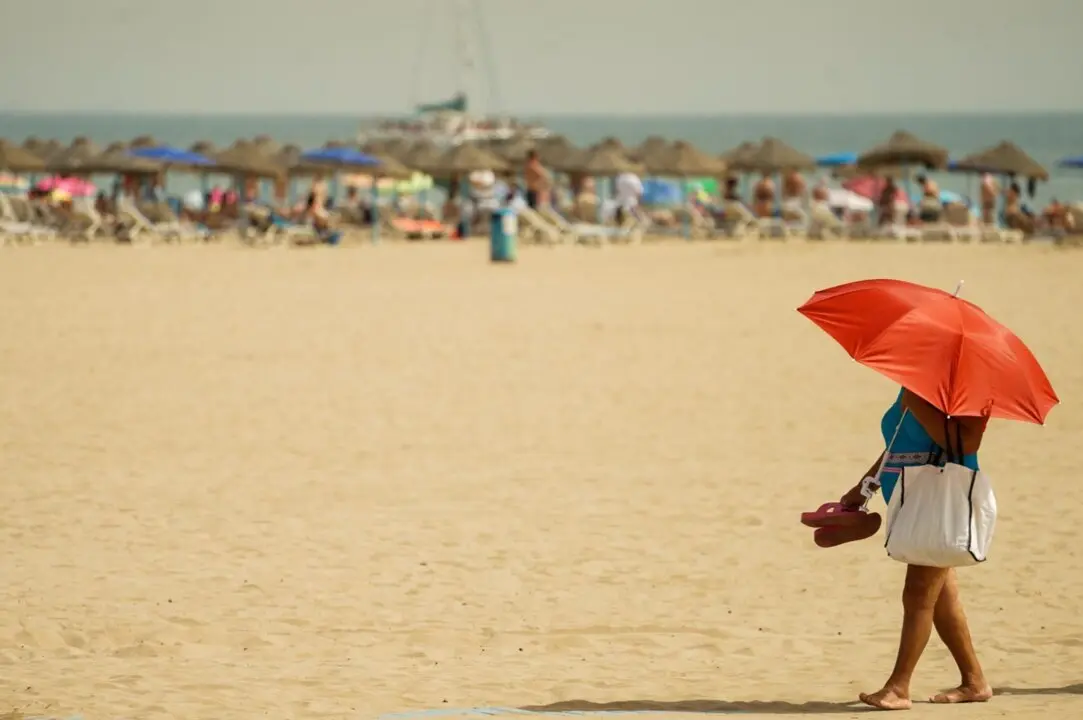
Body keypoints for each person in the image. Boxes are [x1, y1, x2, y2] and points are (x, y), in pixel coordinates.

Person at [836, 388, 993, 710]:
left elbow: (965, 445)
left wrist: (920, 404)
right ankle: (974, 681)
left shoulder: (967, 388)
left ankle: (898, 687)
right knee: (942, 599)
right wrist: (866, 484)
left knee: (919, 594)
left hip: (938, 502)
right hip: (910, 499)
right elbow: (898, 441)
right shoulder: (917, 383)